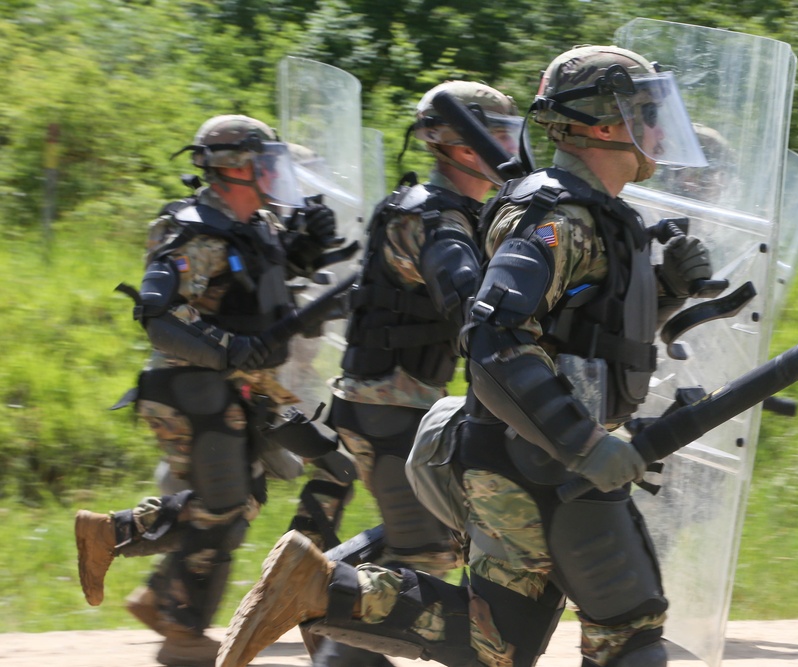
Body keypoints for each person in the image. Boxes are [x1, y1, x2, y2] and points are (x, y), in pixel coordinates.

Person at [215, 44, 715, 667]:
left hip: (530, 458)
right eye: (646, 112)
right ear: (602, 123)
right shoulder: (562, 217)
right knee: (629, 634)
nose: (660, 131)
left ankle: (325, 587)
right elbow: (495, 339)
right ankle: (324, 586)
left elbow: (585, 338)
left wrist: (665, 293)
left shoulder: (600, 217)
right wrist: (586, 444)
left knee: (499, 644)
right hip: (544, 462)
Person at [73, 114, 341, 667]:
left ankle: (121, 549)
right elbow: (160, 318)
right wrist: (227, 350)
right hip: (189, 384)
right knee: (221, 504)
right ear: (231, 168)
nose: (274, 174)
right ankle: (183, 632)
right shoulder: (195, 231)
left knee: (239, 502)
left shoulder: (257, 226)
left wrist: (304, 250)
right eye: (264, 163)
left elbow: (257, 287)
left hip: (242, 387)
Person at [289, 79, 523, 667]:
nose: (508, 150)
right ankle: (321, 590)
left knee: (436, 538)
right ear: (460, 145)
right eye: (497, 136)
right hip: (389, 407)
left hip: (398, 403)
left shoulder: (449, 209)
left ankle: (317, 577)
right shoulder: (435, 217)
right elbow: (466, 298)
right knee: (429, 545)